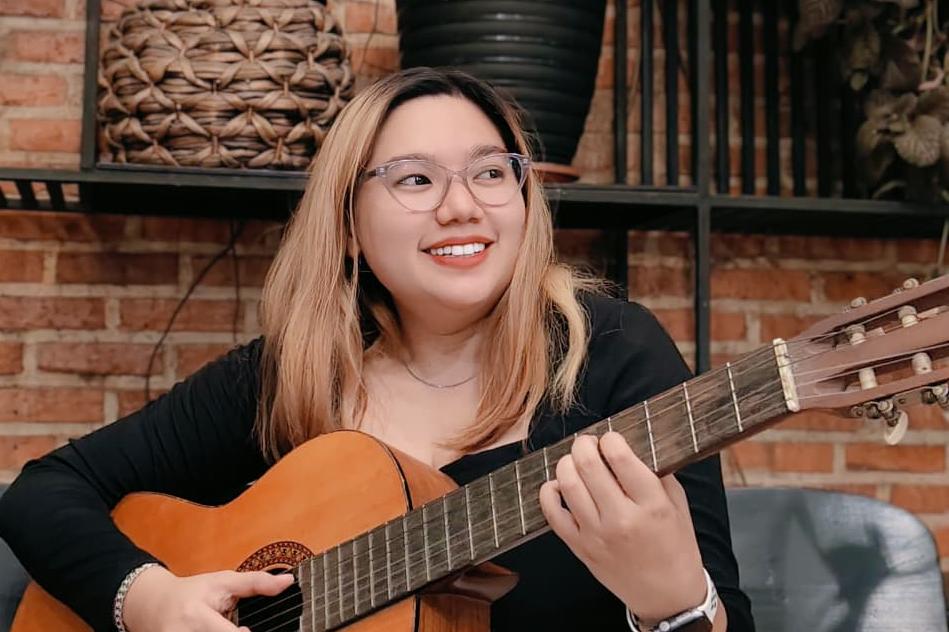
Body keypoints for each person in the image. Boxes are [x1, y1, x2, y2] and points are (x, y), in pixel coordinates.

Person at [0, 67, 754, 632]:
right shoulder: (292, 374)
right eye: (415, 179)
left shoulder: (613, 351)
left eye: (491, 172)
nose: (462, 205)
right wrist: (150, 601)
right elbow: (44, 492)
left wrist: (673, 604)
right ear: (349, 225)